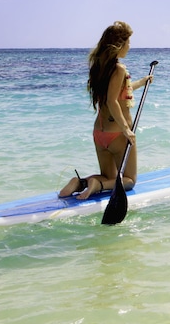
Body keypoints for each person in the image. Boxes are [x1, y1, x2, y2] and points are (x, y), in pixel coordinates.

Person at [59, 21, 153, 199]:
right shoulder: (118, 68)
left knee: (109, 176)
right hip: (118, 133)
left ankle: (80, 183)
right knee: (129, 180)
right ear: (120, 44)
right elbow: (112, 101)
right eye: (128, 42)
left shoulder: (100, 67)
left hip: (100, 133)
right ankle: (96, 185)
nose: (130, 46)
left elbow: (117, 92)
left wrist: (141, 82)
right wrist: (126, 129)